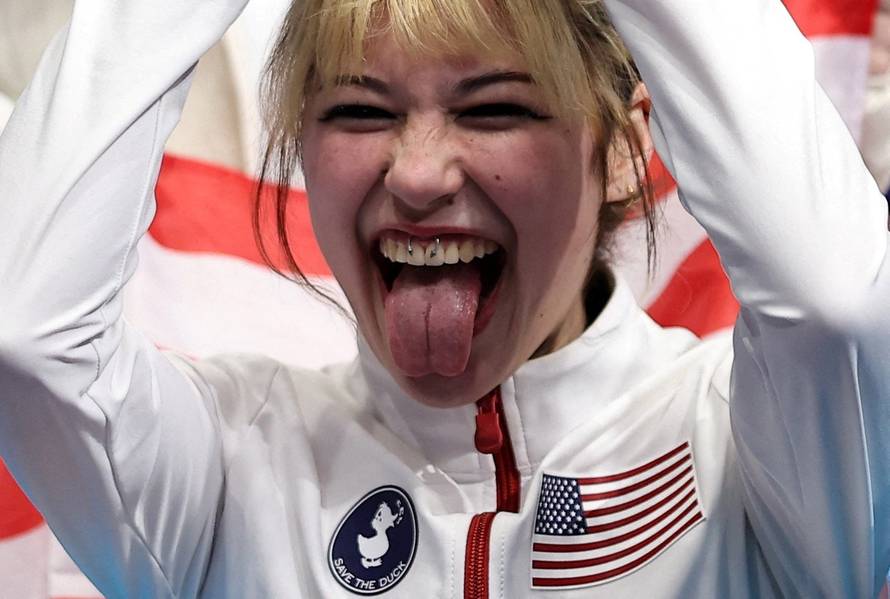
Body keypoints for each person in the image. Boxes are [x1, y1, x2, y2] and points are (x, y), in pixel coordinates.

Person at [0, 0, 888, 597]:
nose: (417, 173)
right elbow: (23, 335)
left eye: (495, 110)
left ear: (622, 148)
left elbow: (837, 301)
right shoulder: (229, 468)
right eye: (357, 112)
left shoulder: (750, 453)